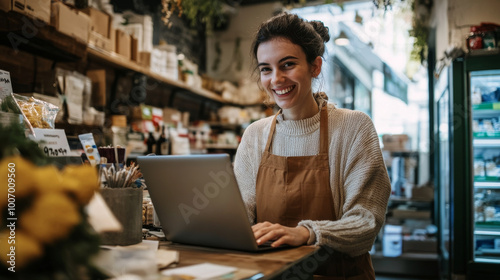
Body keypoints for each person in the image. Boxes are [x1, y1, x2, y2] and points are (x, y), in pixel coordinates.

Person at [233, 12, 391, 279]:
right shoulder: (254, 135)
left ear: (315, 67)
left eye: (288, 64)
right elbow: (240, 217)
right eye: (266, 69)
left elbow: (366, 222)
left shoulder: (354, 128)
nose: (276, 79)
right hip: (271, 274)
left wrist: (306, 233)